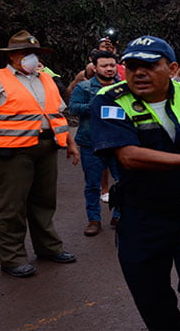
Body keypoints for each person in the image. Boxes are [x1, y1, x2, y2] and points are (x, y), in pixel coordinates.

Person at [90, 35, 180, 330]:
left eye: (148, 66)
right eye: (131, 67)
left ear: (172, 69)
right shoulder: (110, 100)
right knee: (151, 296)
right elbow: (130, 157)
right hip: (142, 215)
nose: (138, 73)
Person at [0, 30, 79, 278]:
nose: (31, 57)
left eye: (35, 53)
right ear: (12, 56)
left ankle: (49, 247)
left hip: (46, 148)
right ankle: (12, 258)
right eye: (25, 53)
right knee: (12, 206)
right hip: (11, 152)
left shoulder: (45, 79)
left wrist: (71, 144)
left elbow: (57, 115)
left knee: (44, 201)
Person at [69, 50, 121, 236]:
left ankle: (119, 215)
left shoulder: (123, 87)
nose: (109, 69)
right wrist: (96, 106)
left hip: (118, 143)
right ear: (95, 67)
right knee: (92, 185)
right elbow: (73, 108)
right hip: (91, 143)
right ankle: (94, 220)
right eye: (104, 66)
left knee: (123, 181)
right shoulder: (84, 87)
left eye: (112, 65)